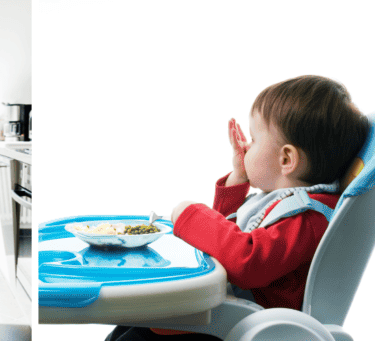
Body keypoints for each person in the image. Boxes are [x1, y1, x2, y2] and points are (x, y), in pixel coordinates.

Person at [107, 75, 369, 340]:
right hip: (224, 314)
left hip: (240, 326)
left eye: (254, 140)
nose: (247, 147)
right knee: (130, 326)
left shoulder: (307, 217)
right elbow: (225, 240)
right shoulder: (285, 201)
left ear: (287, 159)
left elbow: (246, 261)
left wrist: (190, 214)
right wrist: (238, 180)